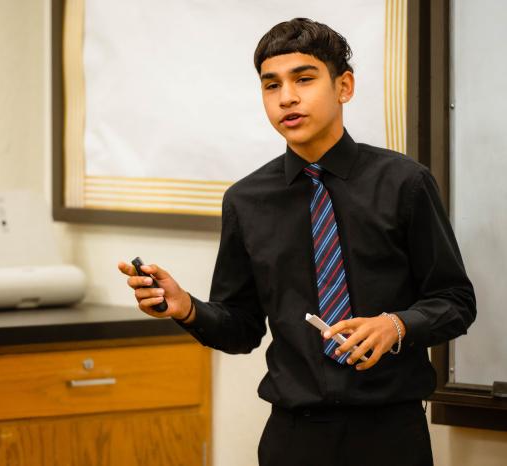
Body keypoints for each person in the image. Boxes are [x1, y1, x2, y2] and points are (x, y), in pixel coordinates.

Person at [118, 18, 475, 466]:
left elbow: (456, 301)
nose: (287, 97)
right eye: (272, 86)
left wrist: (395, 325)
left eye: (304, 79)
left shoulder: (404, 183)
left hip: (391, 433)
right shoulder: (246, 201)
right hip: (293, 437)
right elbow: (241, 328)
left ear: (343, 86)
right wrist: (187, 307)